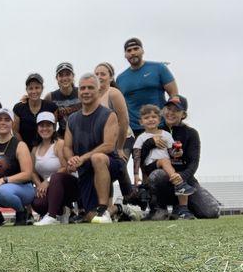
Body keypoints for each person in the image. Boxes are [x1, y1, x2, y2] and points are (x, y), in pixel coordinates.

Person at [143, 96, 220, 219]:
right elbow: (145, 165)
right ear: (163, 111)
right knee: (156, 175)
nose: (171, 113)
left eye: (176, 110)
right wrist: (150, 143)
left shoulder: (191, 133)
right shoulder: (153, 132)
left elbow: (194, 163)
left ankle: (182, 208)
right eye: (168, 109)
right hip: (163, 180)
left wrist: (181, 177)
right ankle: (159, 209)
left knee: (211, 212)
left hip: (185, 181)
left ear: (183, 114)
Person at [63, 73, 125, 224]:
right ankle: (118, 208)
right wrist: (71, 158)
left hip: (110, 164)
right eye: (83, 88)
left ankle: (103, 208)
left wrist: (83, 157)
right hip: (86, 170)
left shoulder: (109, 115)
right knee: (91, 218)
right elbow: (66, 146)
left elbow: (109, 146)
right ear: (78, 92)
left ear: (98, 91)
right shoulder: (72, 119)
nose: (86, 91)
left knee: (97, 158)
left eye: (90, 88)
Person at [116, 37, 179, 136]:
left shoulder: (159, 68)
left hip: (159, 125)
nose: (132, 52)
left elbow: (174, 95)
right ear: (125, 55)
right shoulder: (120, 78)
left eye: (136, 49)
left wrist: (171, 119)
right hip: (134, 129)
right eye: (129, 50)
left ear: (142, 51)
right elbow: (120, 105)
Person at [133, 104, 196, 198]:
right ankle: (179, 185)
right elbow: (136, 156)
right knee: (164, 161)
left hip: (166, 165)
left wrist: (178, 153)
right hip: (150, 166)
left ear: (159, 119)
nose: (151, 119)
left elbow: (171, 152)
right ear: (141, 122)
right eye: (146, 118)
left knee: (177, 169)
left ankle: (182, 205)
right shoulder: (141, 137)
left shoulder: (166, 135)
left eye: (154, 117)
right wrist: (136, 174)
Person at [30, 112, 79, 226]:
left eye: (48, 125)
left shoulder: (59, 144)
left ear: (54, 127)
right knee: (38, 203)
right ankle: (62, 211)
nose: (45, 128)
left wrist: (47, 181)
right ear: (37, 128)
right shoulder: (35, 149)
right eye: (42, 125)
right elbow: (32, 172)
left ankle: (51, 216)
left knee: (56, 177)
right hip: (50, 187)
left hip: (70, 185)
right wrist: (39, 185)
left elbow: (66, 168)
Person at [95, 62, 135, 200]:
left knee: (119, 167)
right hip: (106, 141)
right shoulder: (93, 97)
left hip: (123, 138)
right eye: (96, 74)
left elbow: (124, 121)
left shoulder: (113, 93)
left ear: (111, 78)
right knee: (104, 171)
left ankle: (131, 199)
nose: (99, 77)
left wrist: (119, 147)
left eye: (103, 74)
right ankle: (109, 205)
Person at [13, 73, 58, 151]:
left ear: (42, 88)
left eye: (37, 87)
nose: (34, 91)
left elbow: (53, 128)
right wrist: (24, 149)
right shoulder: (18, 108)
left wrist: (44, 149)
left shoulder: (51, 107)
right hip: (24, 149)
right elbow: (15, 131)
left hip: (46, 149)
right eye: (30, 88)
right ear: (26, 90)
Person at [44, 62, 81, 137]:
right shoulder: (50, 97)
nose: (64, 78)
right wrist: (28, 99)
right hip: (62, 135)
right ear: (57, 78)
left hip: (82, 133)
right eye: (61, 75)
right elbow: (41, 112)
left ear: (73, 76)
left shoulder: (81, 92)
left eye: (67, 74)